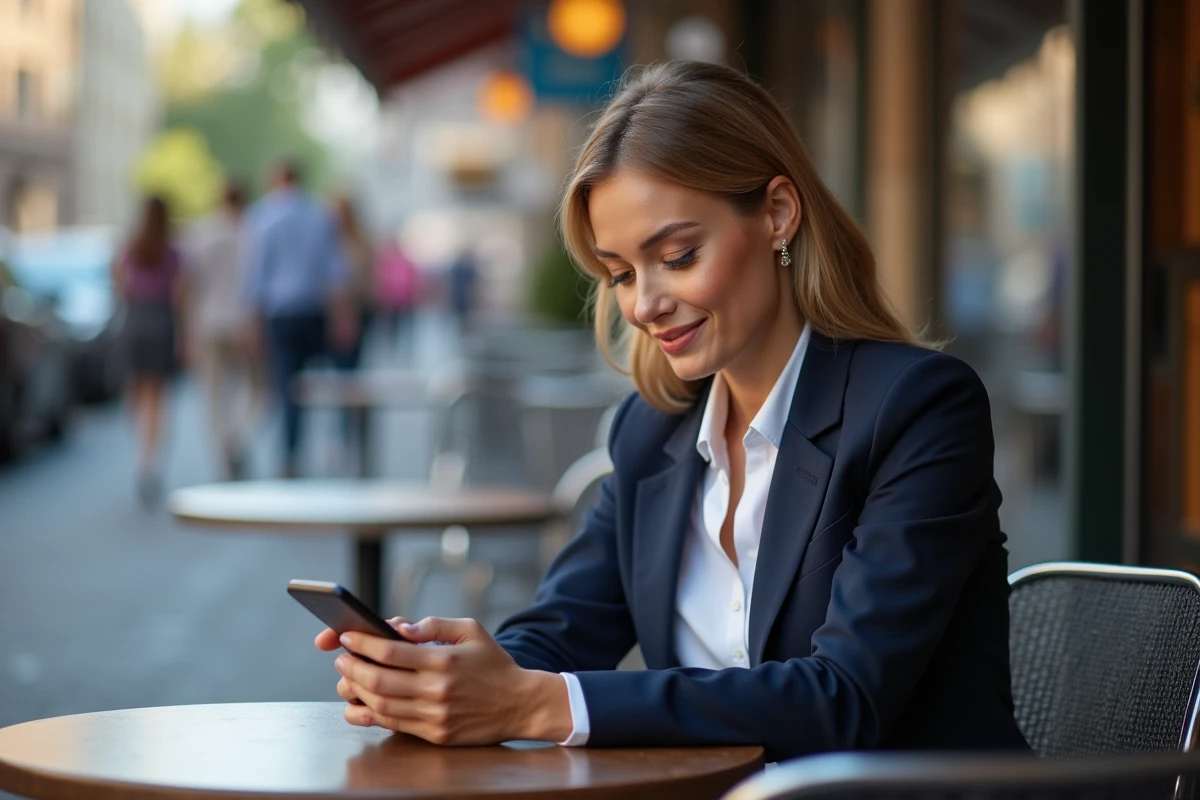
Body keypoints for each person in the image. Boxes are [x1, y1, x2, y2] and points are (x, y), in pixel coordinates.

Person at [314, 62, 1029, 761]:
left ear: (778, 213)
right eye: (621, 272)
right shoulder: (651, 431)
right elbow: (560, 634)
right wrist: (434, 676)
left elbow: (844, 700)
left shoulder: (918, 408)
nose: (644, 303)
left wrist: (535, 703)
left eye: (678, 256)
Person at [243, 159, 353, 478]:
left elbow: (256, 278)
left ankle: (291, 452)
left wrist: (252, 325)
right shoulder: (318, 216)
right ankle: (328, 441)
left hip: (281, 315)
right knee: (313, 383)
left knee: (287, 385)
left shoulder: (263, 218)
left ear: (276, 180)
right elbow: (335, 273)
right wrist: (343, 317)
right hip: (312, 311)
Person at [183, 180, 261, 480]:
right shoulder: (251, 234)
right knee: (252, 390)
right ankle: (235, 436)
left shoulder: (201, 234)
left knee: (214, 394)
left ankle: (222, 448)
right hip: (241, 322)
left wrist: (188, 329)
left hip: (207, 323)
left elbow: (189, 285)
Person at [113, 195, 186, 507]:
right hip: (160, 320)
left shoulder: (132, 246)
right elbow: (180, 295)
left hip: (136, 320)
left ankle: (144, 455)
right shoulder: (172, 252)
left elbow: (119, 282)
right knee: (157, 398)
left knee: (137, 393)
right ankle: (150, 460)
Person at [328, 192, 373, 372]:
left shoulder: (358, 243)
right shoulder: (329, 242)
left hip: (355, 308)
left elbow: (363, 281)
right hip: (335, 310)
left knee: (350, 365)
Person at [373, 235, 418, 359]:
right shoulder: (387, 261)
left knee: (405, 324)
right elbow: (381, 279)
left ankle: (406, 347)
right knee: (393, 325)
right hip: (392, 299)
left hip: (405, 298)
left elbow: (412, 278)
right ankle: (393, 346)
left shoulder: (404, 260)